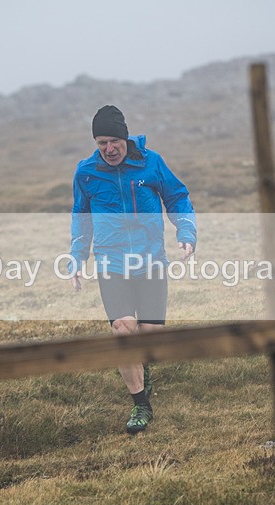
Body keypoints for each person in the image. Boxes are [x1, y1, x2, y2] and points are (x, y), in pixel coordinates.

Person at [68, 105, 197, 435]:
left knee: (149, 336)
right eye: (101, 143)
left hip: (151, 261)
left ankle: (144, 365)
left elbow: (178, 197)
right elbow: (81, 219)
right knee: (123, 331)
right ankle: (141, 405)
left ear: (125, 138)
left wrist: (186, 233)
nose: (109, 149)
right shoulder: (86, 173)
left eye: (114, 141)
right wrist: (77, 257)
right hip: (111, 264)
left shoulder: (151, 162)